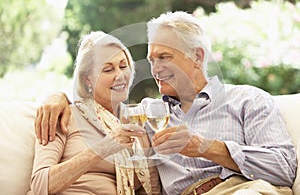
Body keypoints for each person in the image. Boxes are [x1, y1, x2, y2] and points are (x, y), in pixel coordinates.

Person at [35, 11, 297, 195]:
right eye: (151, 60)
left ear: (197, 56)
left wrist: (205, 147)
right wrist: (58, 97)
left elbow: (284, 169)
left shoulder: (247, 99)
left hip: (244, 189)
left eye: (164, 57)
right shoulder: (147, 114)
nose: (155, 68)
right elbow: (100, 109)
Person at [28, 31, 161, 195]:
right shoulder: (63, 116)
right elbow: (40, 185)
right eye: (107, 69)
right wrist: (104, 147)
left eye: (123, 66)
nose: (119, 75)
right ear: (87, 79)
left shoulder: (137, 120)